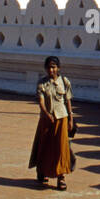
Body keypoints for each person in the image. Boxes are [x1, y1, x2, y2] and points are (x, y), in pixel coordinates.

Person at [29, 56, 74, 191]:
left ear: (58, 68)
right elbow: (41, 101)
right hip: (46, 119)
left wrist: (71, 118)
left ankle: (61, 176)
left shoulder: (65, 82)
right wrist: (47, 114)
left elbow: (68, 101)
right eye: (49, 67)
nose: (51, 70)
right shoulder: (42, 83)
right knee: (45, 145)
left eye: (54, 67)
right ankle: (43, 170)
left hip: (62, 117)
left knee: (61, 148)